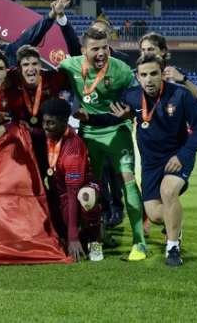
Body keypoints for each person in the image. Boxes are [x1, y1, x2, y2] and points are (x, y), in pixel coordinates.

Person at [110, 54, 197, 266]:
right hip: (151, 164)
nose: (149, 79)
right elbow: (114, 109)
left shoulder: (180, 95)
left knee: (168, 191)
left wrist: (183, 155)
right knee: (154, 215)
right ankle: (175, 221)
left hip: (177, 156)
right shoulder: (132, 97)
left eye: (154, 73)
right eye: (143, 75)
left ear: (162, 74)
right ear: (137, 76)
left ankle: (172, 248)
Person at [58, 28, 147, 261]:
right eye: (95, 49)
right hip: (89, 134)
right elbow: (53, 82)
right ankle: (96, 238)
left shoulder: (121, 69)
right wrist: (72, 106)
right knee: (91, 189)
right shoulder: (70, 66)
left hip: (118, 131)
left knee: (128, 181)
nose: (101, 53)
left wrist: (130, 108)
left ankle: (139, 242)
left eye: (104, 48)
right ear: (83, 50)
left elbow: (138, 94)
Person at [40, 98, 103, 262]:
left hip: (79, 191)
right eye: (44, 122)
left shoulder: (72, 150)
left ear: (63, 123)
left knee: (86, 197)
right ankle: (76, 236)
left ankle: (96, 240)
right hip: (60, 193)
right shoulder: (49, 136)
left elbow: (73, 192)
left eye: (51, 123)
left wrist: (72, 237)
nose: (46, 127)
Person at [6, 46, 69, 175]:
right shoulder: (11, 77)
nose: (31, 68)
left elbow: (79, 77)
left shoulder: (53, 78)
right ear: (19, 68)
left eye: (35, 63)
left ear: (40, 64)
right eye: (26, 64)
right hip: (23, 140)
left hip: (48, 139)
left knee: (53, 179)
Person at [138, 32, 197, 103]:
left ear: (163, 51)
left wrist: (183, 79)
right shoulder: (134, 75)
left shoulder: (174, 72)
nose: (146, 53)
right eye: (143, 50)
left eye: (150, 49)